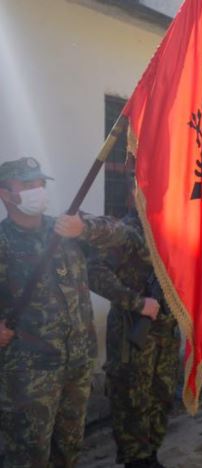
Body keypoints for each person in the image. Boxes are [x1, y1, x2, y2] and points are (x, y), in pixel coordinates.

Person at [0, 157, 128, 467]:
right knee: (28, 454)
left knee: (69, 447)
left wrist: (84, 228)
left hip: (78, 362)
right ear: (5, 193)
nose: (37, 190)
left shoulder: (66, 229)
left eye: (40, 184)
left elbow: (121, 233)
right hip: (30, 373)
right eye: (28, 185)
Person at [85, 207, 179, 468]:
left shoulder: (174, 229)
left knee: (162, 393)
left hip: (166, 330)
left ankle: (151, 454)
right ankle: (135, 459)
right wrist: (136, 302)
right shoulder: (125, 232)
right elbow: (94, 271)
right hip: (133, 329)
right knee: (132, 396)